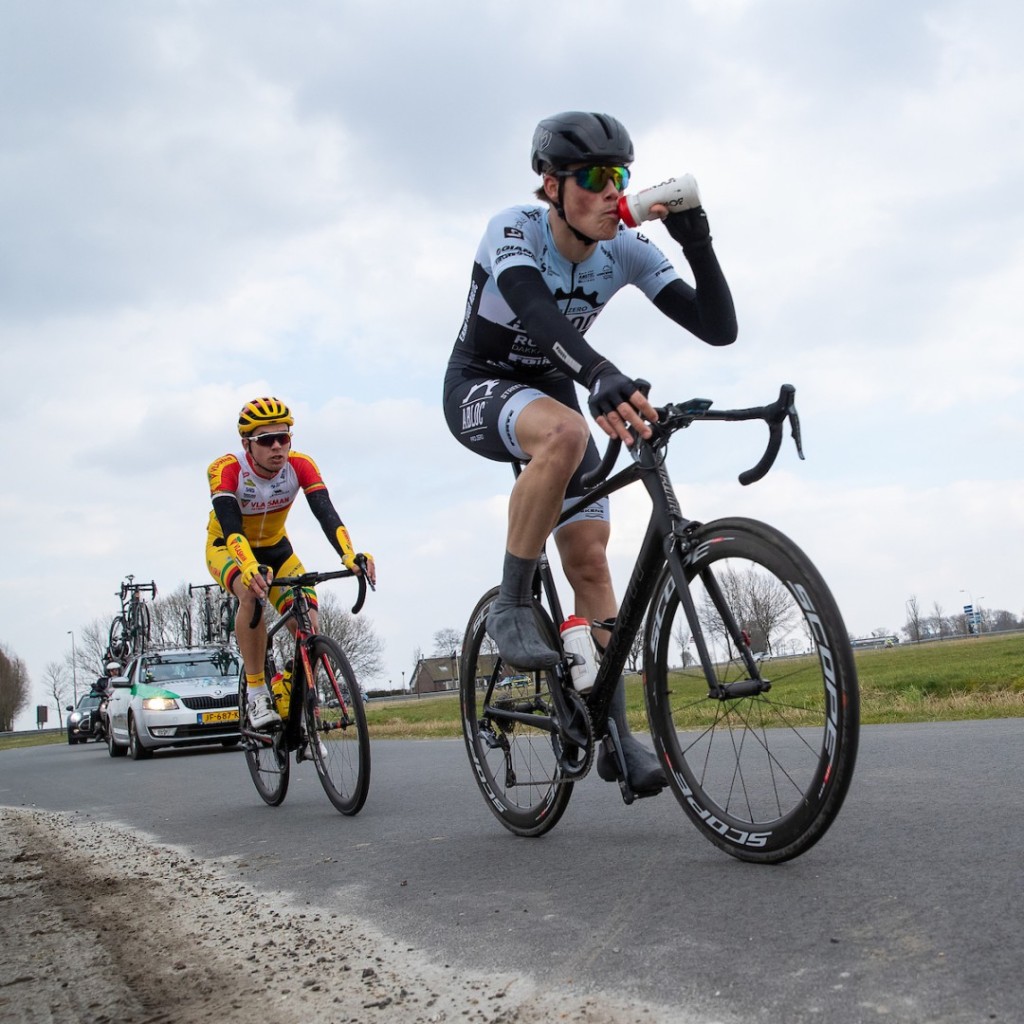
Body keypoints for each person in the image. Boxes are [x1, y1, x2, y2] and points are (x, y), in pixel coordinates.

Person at [443, 111, 737, 793]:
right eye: (596, 179)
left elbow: (718, 329)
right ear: (551, 187)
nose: (614, 193)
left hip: (557, 383)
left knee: (591, 559)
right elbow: (533, 308)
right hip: (483, 383)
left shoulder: (625, 249)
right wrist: (600, 373)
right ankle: (515, 602)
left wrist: (698, 242)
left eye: (622, 177)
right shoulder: (512, 228)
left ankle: (616, 734)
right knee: (569, 433)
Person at [205, 397, 376, 730]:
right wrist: (248, 566)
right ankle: (256, 692)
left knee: (308, 623)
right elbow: (231, 528)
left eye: (284, 437)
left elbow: (326, 513)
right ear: (246, 444)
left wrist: (349, 554)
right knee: (250, 593)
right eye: (267, 440)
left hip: (278, 550)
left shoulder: (300, 465)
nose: (278, 447)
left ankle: (289, 687)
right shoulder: (225, 469)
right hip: (227, 547)